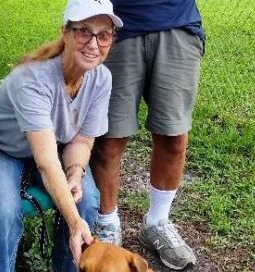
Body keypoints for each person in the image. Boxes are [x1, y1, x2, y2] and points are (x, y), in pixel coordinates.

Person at [0, 0, 123, 271]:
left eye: (103, 35)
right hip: (0, 150)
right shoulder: (32, 78)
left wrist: (75, 173)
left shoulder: (101, 78)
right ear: (66, 32)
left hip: (54, 152)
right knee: (4, 213)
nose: (94, 44)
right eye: (84, 31)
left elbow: (82, 140)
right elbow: (47, 162)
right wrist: (74, 223)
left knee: (87, 199)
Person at [89, 0, 205, 270]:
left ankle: (157, 222)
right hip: (116, 23)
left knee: (173, 136)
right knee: (108, 139)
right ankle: (106, 223)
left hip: (177, 22)